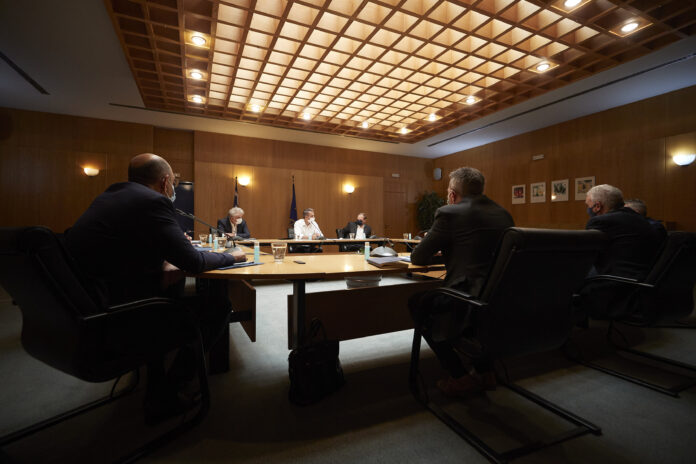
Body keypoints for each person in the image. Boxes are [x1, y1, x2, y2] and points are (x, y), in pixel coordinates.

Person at [65, 153, 246, 423]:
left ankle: (156, 376)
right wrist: (233, 257)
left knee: (174, 282)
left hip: (90, 310)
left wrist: (163, 258)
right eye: (173, 183)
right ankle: (167, 392)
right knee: (218, 306)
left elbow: (123, 248)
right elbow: (194, 262)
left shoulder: (109, 197)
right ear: (164, 182)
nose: (173, 188)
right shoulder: (153, 201)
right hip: (118, 319)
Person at [409, 167, 514, 397]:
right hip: (500, 298)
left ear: (452, 194)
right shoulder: (503, 214)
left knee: (418, 303)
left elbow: (418, 257)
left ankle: (459, 376)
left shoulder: (449, 213)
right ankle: (485, 371)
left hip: (467, 301)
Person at [578, 185, 660, 320]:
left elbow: (587, 255)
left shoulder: (600, 221)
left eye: (588, 205)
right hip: (645, 282)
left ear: (597, 206)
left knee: (566, 276)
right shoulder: (640, 219)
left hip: (616, 285)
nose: (588, 209)